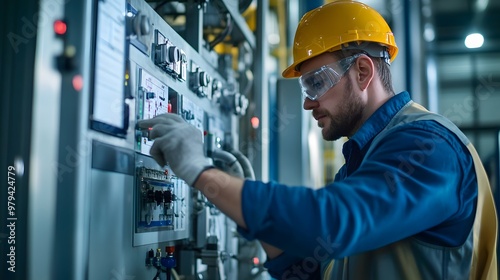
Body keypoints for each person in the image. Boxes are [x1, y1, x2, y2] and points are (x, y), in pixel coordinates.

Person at [138, 0, 498, 279]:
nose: (309, 102)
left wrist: (200, 172)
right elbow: (316, 268)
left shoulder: (428, 147)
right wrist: (229, 191)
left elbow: (332, 221)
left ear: (362, 71)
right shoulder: (364, 160)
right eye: (305, 87)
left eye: (316, 83)